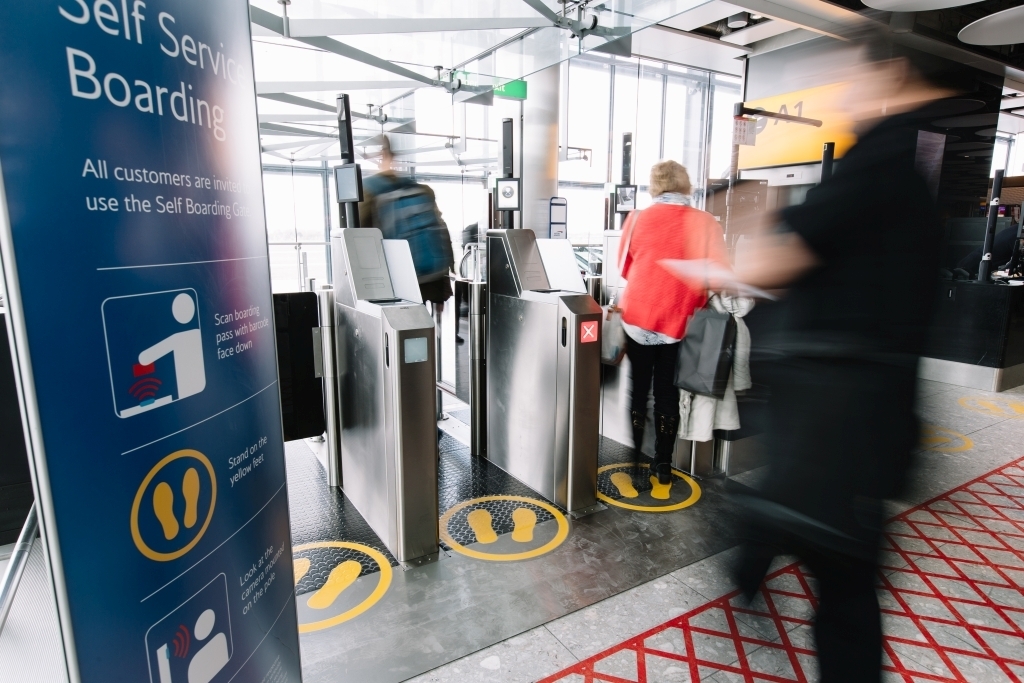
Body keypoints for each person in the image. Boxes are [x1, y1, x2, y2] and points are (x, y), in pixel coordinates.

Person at [720, 29, 949, 683]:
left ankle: (747, 560)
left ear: (892, 74)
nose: (844, 94)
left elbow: (771, 262)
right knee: (843, 571)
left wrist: (752, 214)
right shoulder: (915, 176)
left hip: (832, 418)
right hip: (873, 417)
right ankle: (749, 558)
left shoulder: (873, 161)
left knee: (840, 579)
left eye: (851, 77)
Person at [618, 161, 728, 484]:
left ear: (655, 185)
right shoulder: (706, 223)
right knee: (667, 394)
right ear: (685, 184)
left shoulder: (636, 219)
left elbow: (625, 268)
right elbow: (719, 274)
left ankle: (636, 464)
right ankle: (663, 464)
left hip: (638, 318)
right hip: (679, 322)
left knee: (638, 393)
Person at [358, 136, 454, 308]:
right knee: (428, 318)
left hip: (400, 276)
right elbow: (441, 227)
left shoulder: (368, 190)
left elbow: (359, 235)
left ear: (380, 157)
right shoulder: (422, 189)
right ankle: (435, 333)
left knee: (404, 321)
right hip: (433, 273)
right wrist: (449, 266)